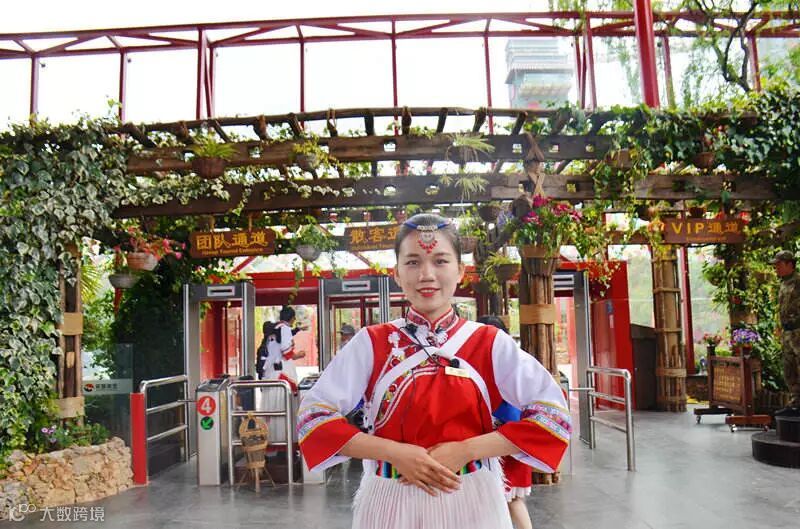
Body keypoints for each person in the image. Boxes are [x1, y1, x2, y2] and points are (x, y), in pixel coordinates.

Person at [297, 213, 570, 529]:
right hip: (390, 502)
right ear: (396, 273)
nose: (426, 275)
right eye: (413, 262)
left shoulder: (490, 342)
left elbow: (554, 417)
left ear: (460, 271)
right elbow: (311, 419)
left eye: (440, 261)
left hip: (473, 501)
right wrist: (394, 453)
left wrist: (466, 450)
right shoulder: (370, 342)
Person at [477, 315, 534, 529]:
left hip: (503, 442)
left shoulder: (495, 366)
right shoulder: (516, 361)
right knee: (510, 500)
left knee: (509, 499)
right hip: (510, 441)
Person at [260, 306, 306, 444]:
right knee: (284, 406)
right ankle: (284, 441)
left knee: (272, 408)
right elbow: (286, 352)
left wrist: (297, 330)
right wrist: (299, 355)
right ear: (292, 319)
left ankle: (272, 441)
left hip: (271, 373)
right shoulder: (284, 329)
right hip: (282, 373)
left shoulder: (274, 328)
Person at [772, 250, 800, 413]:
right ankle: (795, 402)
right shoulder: (783, 283)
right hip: (788, 332)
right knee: (789, 369)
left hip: (798, 330)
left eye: (779, 264)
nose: (776, 268)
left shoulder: (798, 281)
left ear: (789, 264)